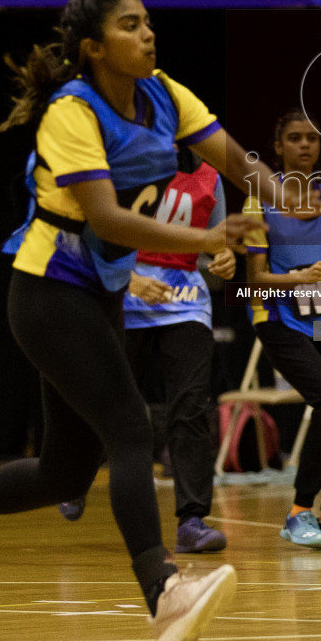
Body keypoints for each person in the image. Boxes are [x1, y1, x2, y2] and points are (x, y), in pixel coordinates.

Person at [0, 0, 294, 641]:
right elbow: (105, 216)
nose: (148, 34)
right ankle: (163, 589)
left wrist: (301, 203)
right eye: (131, 26)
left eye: (149, 23)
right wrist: (212, 240)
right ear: (94, 47)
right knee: (131, 426)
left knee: (66, 472)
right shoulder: (70, 113)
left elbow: (240, 162)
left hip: (98, 291)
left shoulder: (165, 93)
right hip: (47, 292)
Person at [55, 152, 236, 553]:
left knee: (190, 408)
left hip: (186, 302)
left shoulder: (209, 176)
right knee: (107, 402)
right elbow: (93, 234)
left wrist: (224, 258)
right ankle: (74, 478)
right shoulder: (127, 166)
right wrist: (131, 279)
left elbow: (219, 242)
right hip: (125, 299)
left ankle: (192, 520)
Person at [242, 109, 321, 549]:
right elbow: (254, 279)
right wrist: (298, 278)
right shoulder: (258, 200)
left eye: (312, 138)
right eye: (295, 138)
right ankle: (299, 511)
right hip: (279, 316)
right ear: (278, 147)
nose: (305, 145)